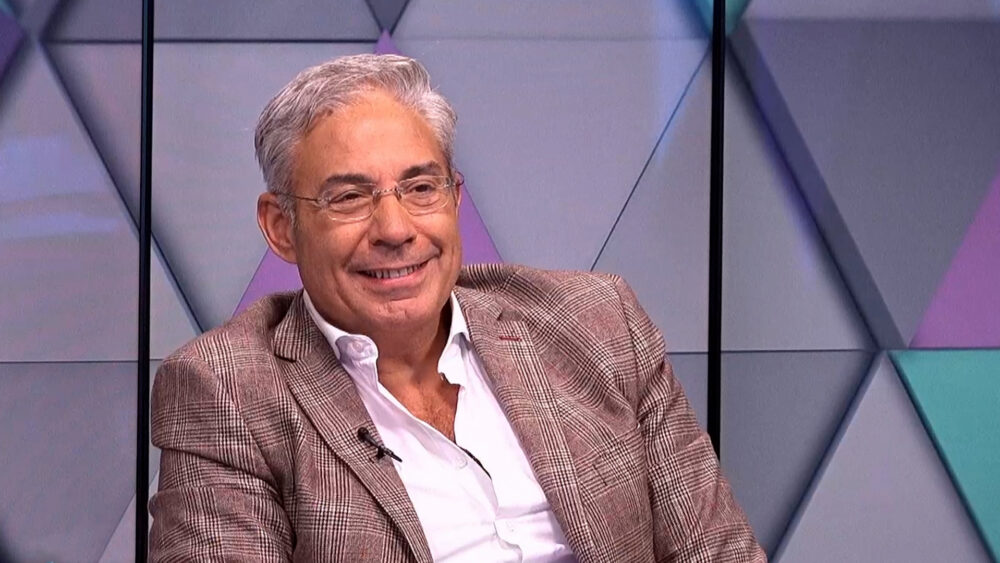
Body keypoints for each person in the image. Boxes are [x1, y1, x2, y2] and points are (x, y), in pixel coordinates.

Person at [148, 54, 765, 562]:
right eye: (349, 198)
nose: (395, 229)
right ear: (282, 227)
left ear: (454, 199)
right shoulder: (228, 391)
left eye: (421, 188)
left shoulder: (596, 322)